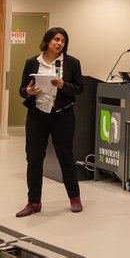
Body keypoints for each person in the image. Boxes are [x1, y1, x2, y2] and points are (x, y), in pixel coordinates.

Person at [16, 27, 84, 217]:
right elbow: (22, 89)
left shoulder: (72, 63)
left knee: (65, 156)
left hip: (62, 115)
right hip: (37, 115)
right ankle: (34, 202)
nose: (59, 43)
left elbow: (79, 88)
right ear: (47, 41)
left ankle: (75, 198)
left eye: (63, 40)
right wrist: (28, 91)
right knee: (34, 158)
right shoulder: (32, 62)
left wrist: (64, 85)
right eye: (56, 39)